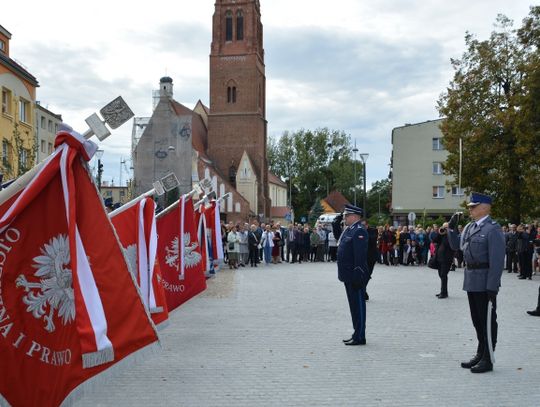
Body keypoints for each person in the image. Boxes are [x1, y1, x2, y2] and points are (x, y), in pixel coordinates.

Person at [448, 192, 505, 373]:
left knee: (487, 320)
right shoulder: (470, 227)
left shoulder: (493, 229)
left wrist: (492, 286)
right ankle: (481, 353)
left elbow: (496, 261)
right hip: (471, 279)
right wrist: (451, 229)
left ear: (484, 208)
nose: (470, 209)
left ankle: (488, 358)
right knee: (476, 320)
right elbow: (457, 246)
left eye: (474, 206)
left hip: (485, 280)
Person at [332, 204, 369, 346]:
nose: (344, 218)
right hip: (347, 275)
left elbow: (359, 257)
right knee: (353, 306)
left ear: (354, 216)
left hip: (355, 276)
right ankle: (356, 333)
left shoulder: (359, 231)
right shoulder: (350, 230)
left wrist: (357, 275)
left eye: (347, 216)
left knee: (358, 307)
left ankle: (360, 336)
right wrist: (336, 222)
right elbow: (339, 239)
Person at [432, 222, 455, 299]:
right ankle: (443, 291)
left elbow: (447, 244)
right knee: (441, 275)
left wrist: (446, 234)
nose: (444, 229)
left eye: (446, 228)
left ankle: (444, 293)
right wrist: (439, 233)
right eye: (443, 227)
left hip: (446, 259)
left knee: (443, 275)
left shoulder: (450, 236)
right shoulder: (441, 235)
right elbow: (434, 240)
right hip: (439, 258)